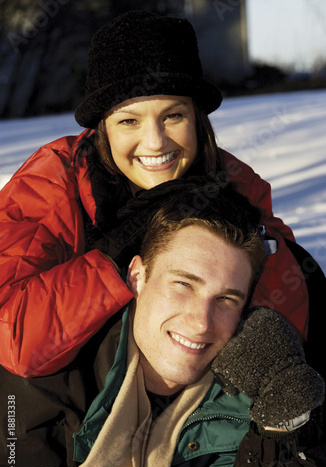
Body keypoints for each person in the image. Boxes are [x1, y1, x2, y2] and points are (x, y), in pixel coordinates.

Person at [0, 10, 319, 380]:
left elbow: (286, 315)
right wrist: (117, 251)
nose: (154, 142)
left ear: (197, 119)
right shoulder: (51, 183)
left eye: (173, 116)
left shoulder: (236, 185)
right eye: (129, 121)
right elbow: (14, 338)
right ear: (103, 128)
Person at [0, 183, 324, 467]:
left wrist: (284, 430)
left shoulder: (246, 396)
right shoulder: (39, 386)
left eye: (226, 299)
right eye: (183, 284)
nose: (201, 322)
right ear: (137, 277)